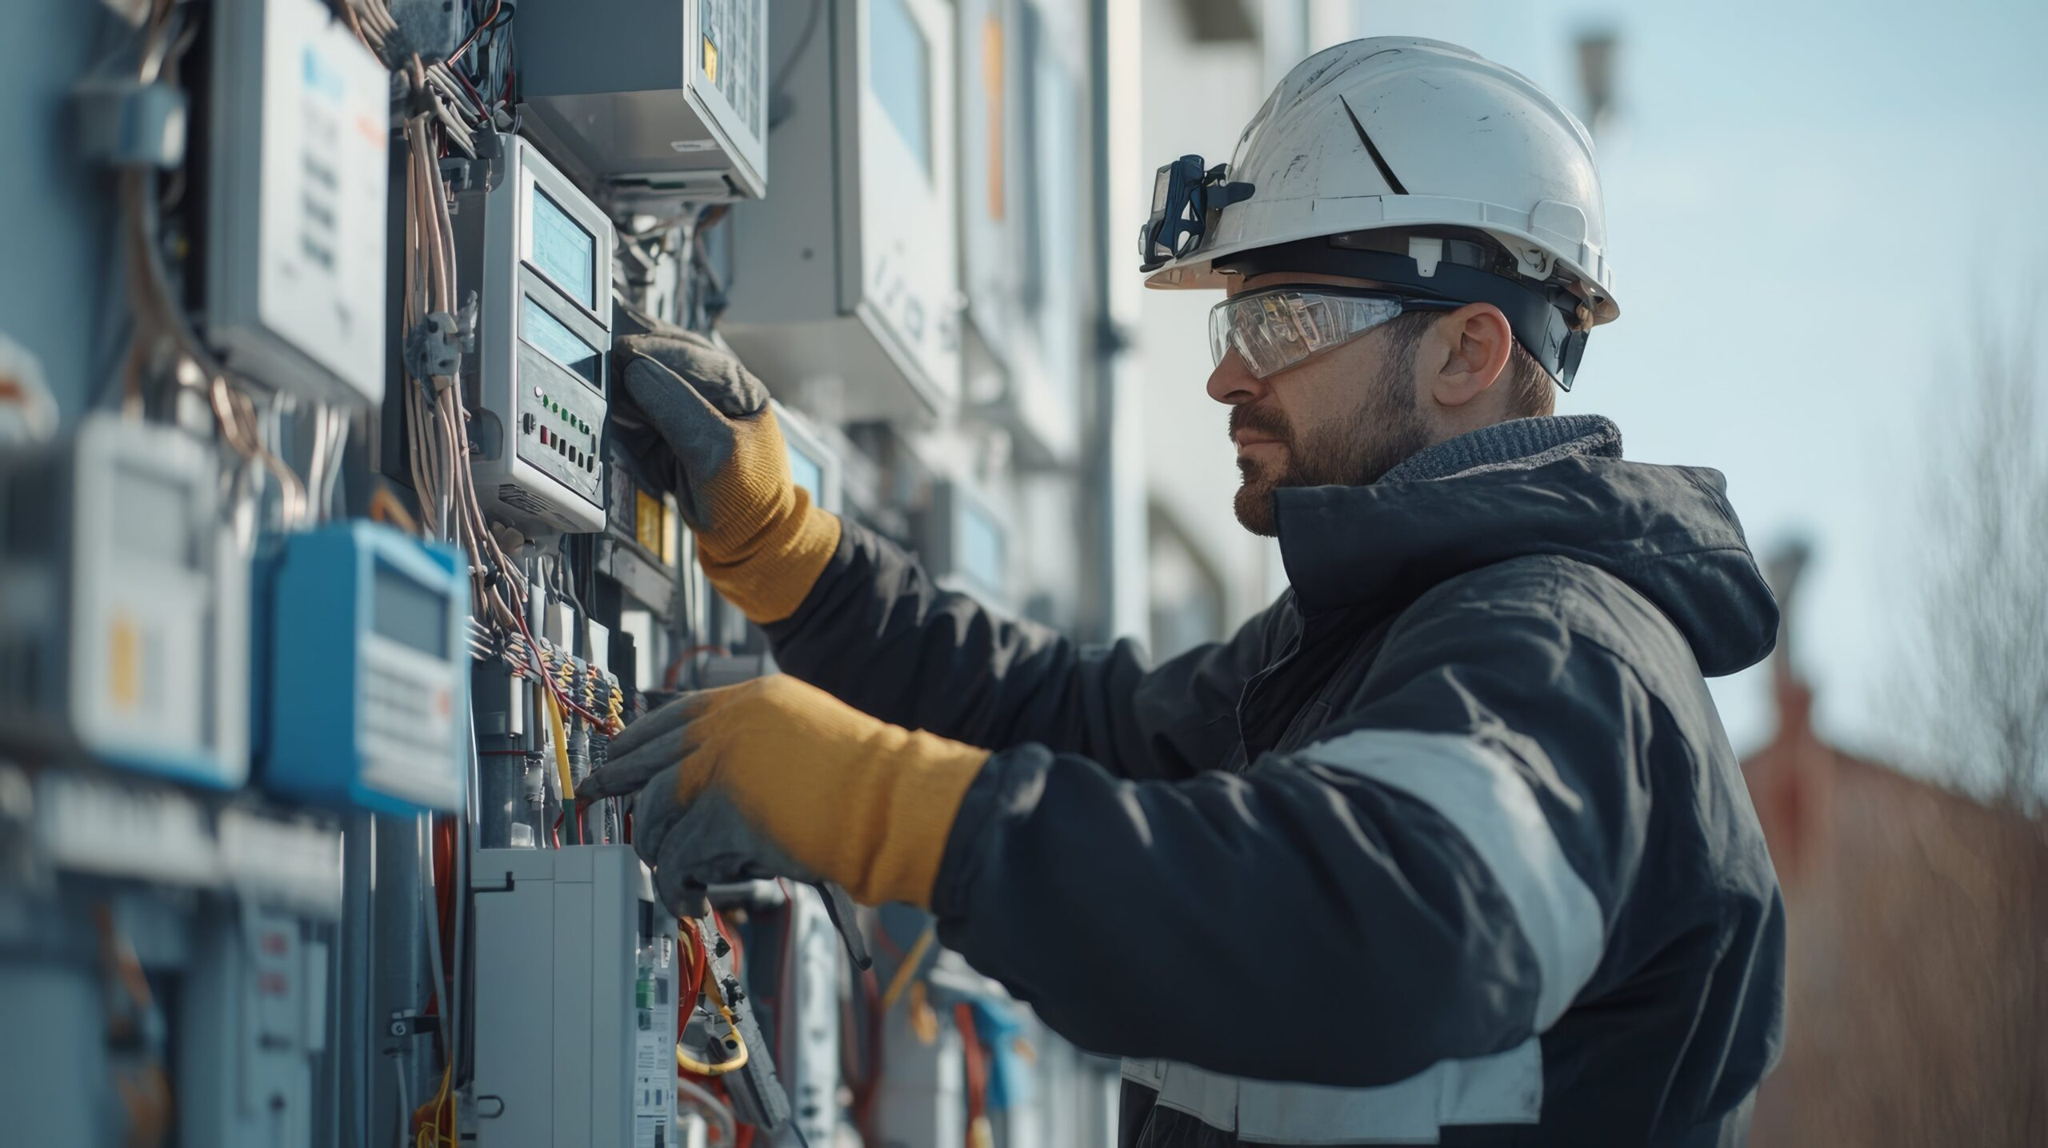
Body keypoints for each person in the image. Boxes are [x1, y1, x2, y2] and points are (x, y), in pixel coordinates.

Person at [586, 37, 1784, 1148]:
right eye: (1234, 318)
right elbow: (1082, 728)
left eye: (1281, 320)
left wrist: (886, 808)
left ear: (1467, 353)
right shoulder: (1376, 642)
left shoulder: (1561, 663)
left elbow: (1358, 926)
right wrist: (791, 550)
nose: (1223, 373)